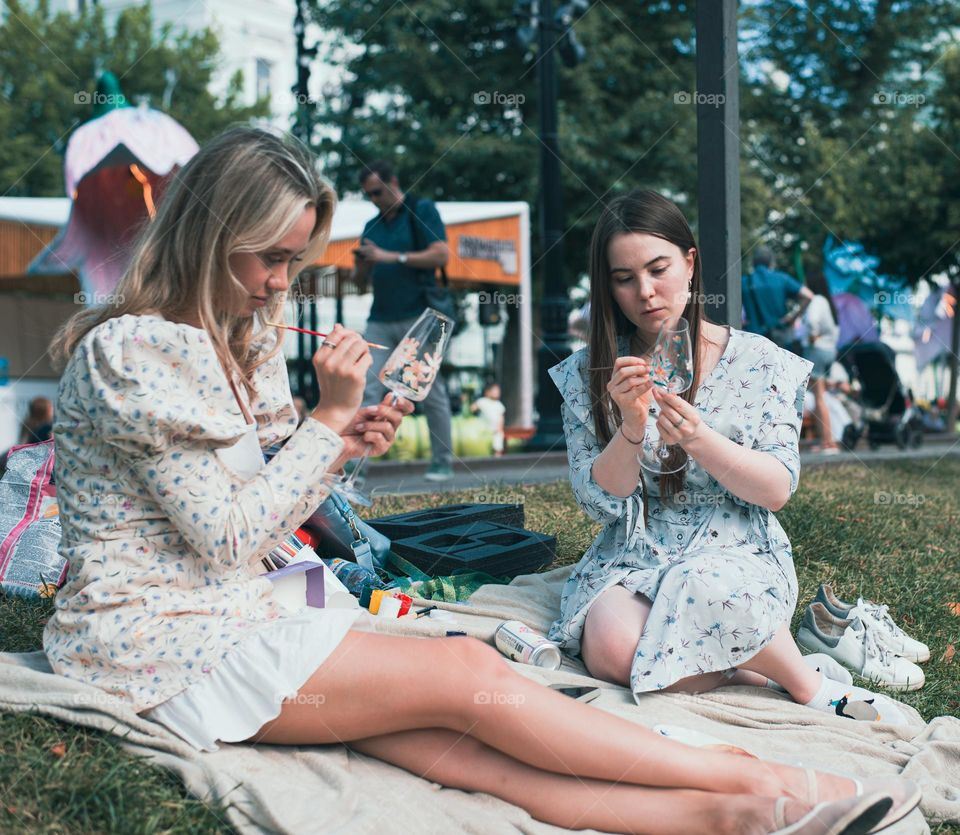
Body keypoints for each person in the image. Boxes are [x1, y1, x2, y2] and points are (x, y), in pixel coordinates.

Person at [40, 129, 915, 835]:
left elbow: (270, 519)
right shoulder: (132, 351)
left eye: (293, 260)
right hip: (159, 642)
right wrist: (327, 424)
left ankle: (735, 815)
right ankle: (767, 779)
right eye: (267, 256)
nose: (279, 283)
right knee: (465, 674)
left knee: (467, 755)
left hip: (235, 607)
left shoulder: (244, 337)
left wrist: (337, 450)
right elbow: (227, 536)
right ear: (207, 234)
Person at [548, 189, 911, 729]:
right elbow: (599, 502)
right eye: (624, 278)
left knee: (704, 583)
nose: (645, 292)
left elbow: (776, 489)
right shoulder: (590, 372)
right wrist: (630, 429)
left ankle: (809, 688)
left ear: (690, 263)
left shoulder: (761, 361)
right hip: (637, 551)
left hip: (734, 546)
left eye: (658, 269)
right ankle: (761, 672)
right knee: (610, 652)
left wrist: (699, 438)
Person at [351, 159, 455, 481]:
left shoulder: (421, 210)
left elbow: (441, 254)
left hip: (420, 317)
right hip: (381, 316)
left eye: (377, 192)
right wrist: (364, 266)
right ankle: (356, 466)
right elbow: (359, 285)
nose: (374, 200)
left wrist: (390, 257)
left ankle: (442, 462)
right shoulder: (371, 226)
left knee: (428, 390)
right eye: (368, 195)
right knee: (367, 386)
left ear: (393, 183)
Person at [800, 270, 841, 453]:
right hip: (828, 350)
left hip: (816, 350)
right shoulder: (828, 301)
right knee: (821, 396)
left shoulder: (817, 300)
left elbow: (811, 322)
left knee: (818, 397)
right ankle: (827, 440)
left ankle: (827, 441)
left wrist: (811, 337)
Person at [742, 247, 813, 350]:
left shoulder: (744, 281)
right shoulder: (781, 278)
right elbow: (808, 295)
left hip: (753, 341)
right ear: (771, 262)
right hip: (779, 339)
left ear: (753, 262)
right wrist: (792, 318)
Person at [472, 380, 506, 455]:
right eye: (495, 390)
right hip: (482, 428)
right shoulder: (483, 401)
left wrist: (500, 428)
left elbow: (501, 418)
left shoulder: (499, 404)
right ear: (487, 392)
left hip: (495, 430)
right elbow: (473, 408)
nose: (497, 392)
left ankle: (497, 455)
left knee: (498, 439)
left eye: (498, 391)